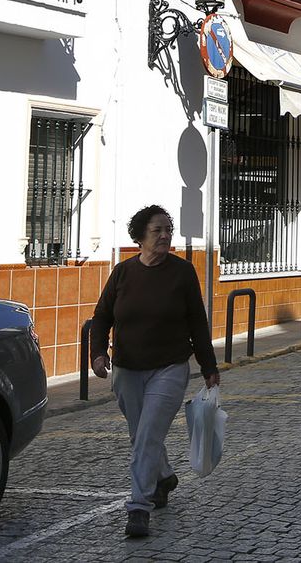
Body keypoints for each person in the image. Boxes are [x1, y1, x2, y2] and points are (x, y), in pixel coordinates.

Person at [90, 205, 221, 538]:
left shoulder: (182, 273)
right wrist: (97, 354)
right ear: (139, 238)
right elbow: (103, 315)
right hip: (127, 368)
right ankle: (163, 476)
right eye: (157, 231)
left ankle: (138, 507)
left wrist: (209, 366)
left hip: (169, 367)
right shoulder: (122, 273)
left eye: (168, 230)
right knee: (140, 433)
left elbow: (196, 321)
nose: (164, 236)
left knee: (148, 434)